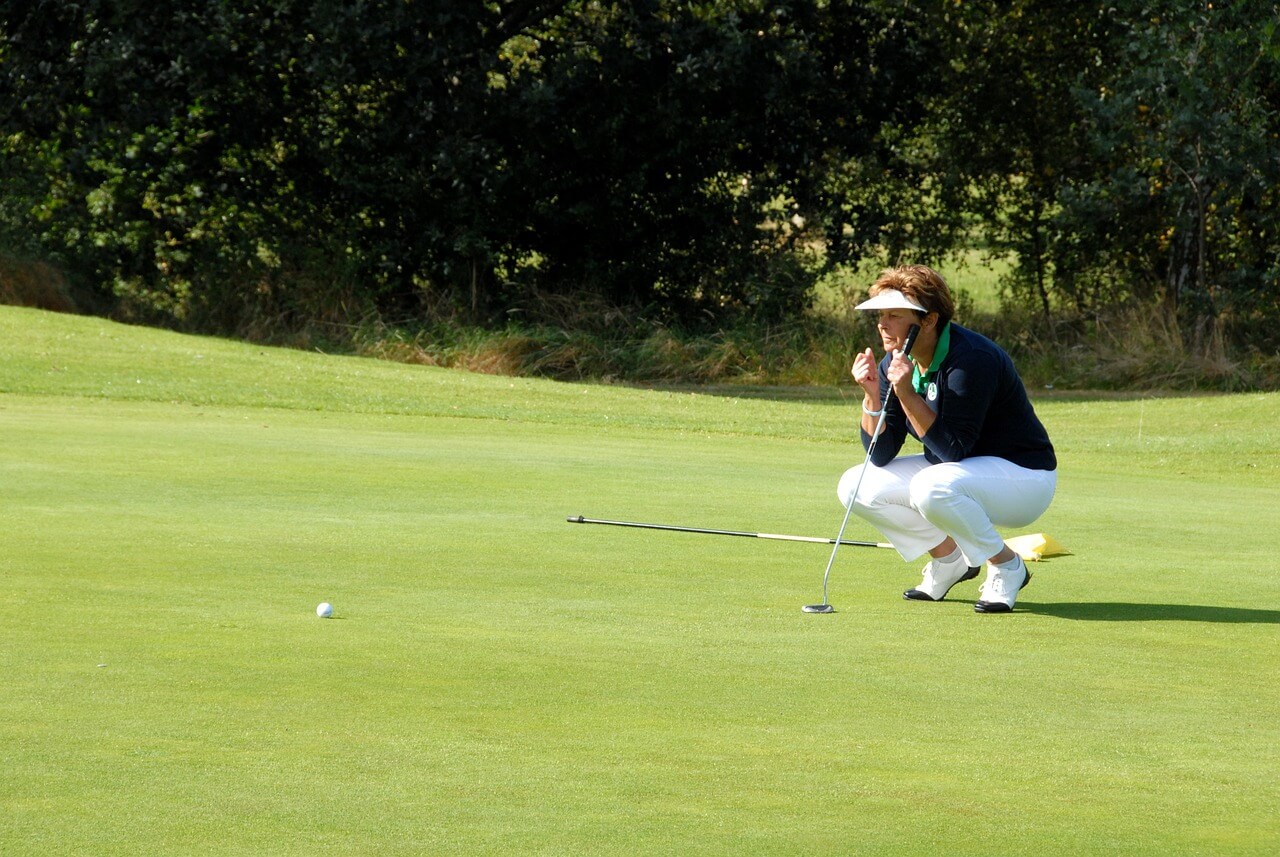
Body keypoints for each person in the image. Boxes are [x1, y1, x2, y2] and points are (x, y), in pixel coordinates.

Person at [839, 265, 1057, 613]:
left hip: (1024, 478)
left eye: (895, 315)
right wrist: (872, 397)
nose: (883, 324)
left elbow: (952, 449)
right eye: (881, 315)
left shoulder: (972, 359)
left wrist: (907, 394)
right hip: (957, 474)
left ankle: (1006, 565)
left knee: (931, 486)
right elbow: (879, 454)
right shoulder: (894, 362)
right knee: (856, 484)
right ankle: (949, 560)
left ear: (928, 320)